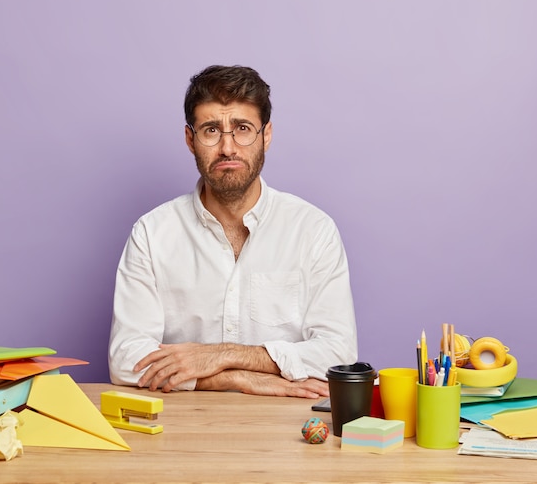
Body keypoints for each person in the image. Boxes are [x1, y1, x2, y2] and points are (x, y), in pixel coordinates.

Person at [108, 65, 357, 398]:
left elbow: (339, 353)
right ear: (190, 139)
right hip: (181, 432)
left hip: (288, 435)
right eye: (211, 130)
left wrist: (222, 355)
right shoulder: (152, 234)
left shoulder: (313, 230)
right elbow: (125, 359)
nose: (228, 147)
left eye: (242, 128)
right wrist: (234, 378)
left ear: (266, 135)